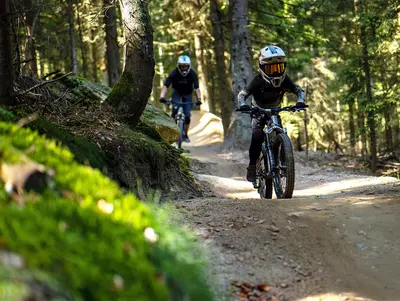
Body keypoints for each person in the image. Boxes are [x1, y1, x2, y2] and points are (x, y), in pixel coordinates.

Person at [237, 45, 306, 182]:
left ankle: (282, 160)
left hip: (275, 110)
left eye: (278, 67)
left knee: (279, 134)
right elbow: (242, 94)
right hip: (258, 111)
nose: (275, 72)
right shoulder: (257, 81)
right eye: (271, 68)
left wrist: (300, 101)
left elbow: (299, 91)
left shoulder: (285, 80)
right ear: (262, 68)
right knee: (257, 135)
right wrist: (244, 105)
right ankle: (252, 166)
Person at [160, 55, 202, 142]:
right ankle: (172, 131)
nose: (184, 68)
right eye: (182, 66)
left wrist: (199, 99)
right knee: (174, 112)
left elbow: (197, 88)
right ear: (178, 66)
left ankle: (186, 135)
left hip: (188, 94)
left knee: (187, 116)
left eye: (186, 66)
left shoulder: (192, 74)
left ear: (189, 66)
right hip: (177, 93)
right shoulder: (174, 73)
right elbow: (166, 85)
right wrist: (162, 96)